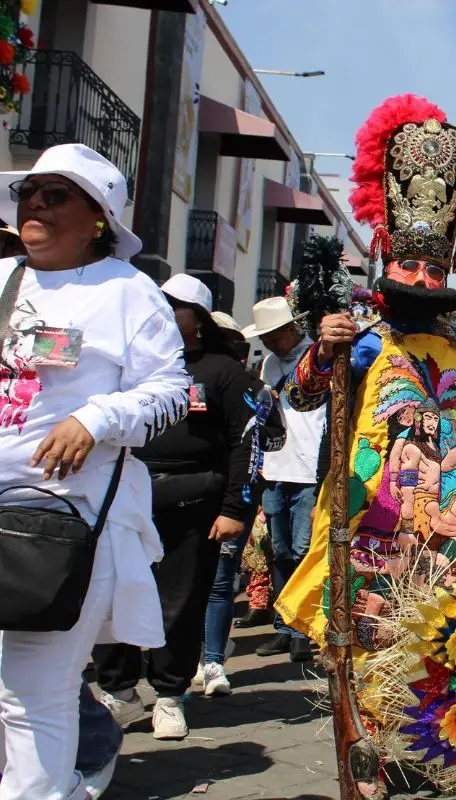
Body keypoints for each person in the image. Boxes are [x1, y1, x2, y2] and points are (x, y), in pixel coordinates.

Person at [273, 99, 456, 796]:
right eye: (410, 265)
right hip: (372, 519)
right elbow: (302, 400)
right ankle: (363, 753)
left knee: (442, 642)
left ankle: (430, 748)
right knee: (363, 643)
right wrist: (318, 355)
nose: (422, 279)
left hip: (448, 523)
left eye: (434, 267)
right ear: (388, 258)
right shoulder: (361, 337)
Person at [0, 143, 190, 799]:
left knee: (31, 702)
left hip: (62, 528)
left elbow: (170, 395)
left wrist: (97, 419)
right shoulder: (2, 279)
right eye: (30, 192)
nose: (36, 204)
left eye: (56, 194)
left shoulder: (128, 292)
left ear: (98, 218)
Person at [93, 273, 282, 739]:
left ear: (195, 319)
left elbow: (249, 444)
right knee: (110, 594)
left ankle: (168, 695)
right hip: (124, 497)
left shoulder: (223, 371)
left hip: (193, 500)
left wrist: (236, 508)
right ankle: (118, 690)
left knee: (178, 602)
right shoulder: (132, 365)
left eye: (172, 307)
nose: (159, 313)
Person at [198, 310, 284, 694]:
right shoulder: (172, 379)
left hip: (235, 496)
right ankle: (192, 653)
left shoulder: (253, 386)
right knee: (185, 581)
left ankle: (212, 660)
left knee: (219, 581)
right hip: (186, 493)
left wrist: (254, 430)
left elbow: (274, 438)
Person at [242, 296, 324, 662]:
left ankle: (302, 628)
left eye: (275, 335)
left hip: (308, 471)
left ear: (291, 329)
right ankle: (284, 626)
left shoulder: (321, 358)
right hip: (275, 467)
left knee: (304, 552)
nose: (271, 344)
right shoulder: (270, 364)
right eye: (266, 338)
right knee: (281, 551)